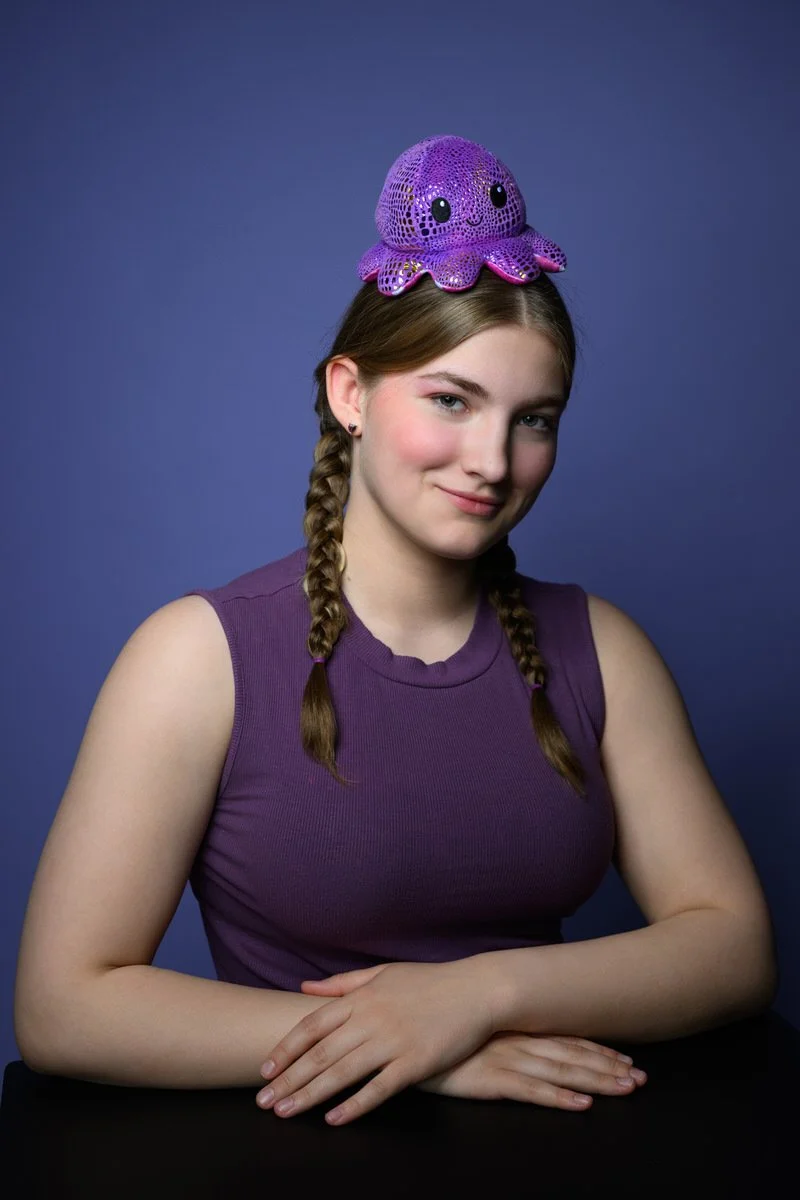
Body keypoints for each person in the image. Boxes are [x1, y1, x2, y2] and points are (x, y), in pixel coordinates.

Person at [14, 135, 777, 1128]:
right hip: (295, 1158)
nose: (492, 461)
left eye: (532, 419)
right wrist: (405, 1051)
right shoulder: (195, 658)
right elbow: (64, 1007)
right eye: (450, 401)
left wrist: (470, 1001)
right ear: (349, 396)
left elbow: (731, 948)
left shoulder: (601, 648)